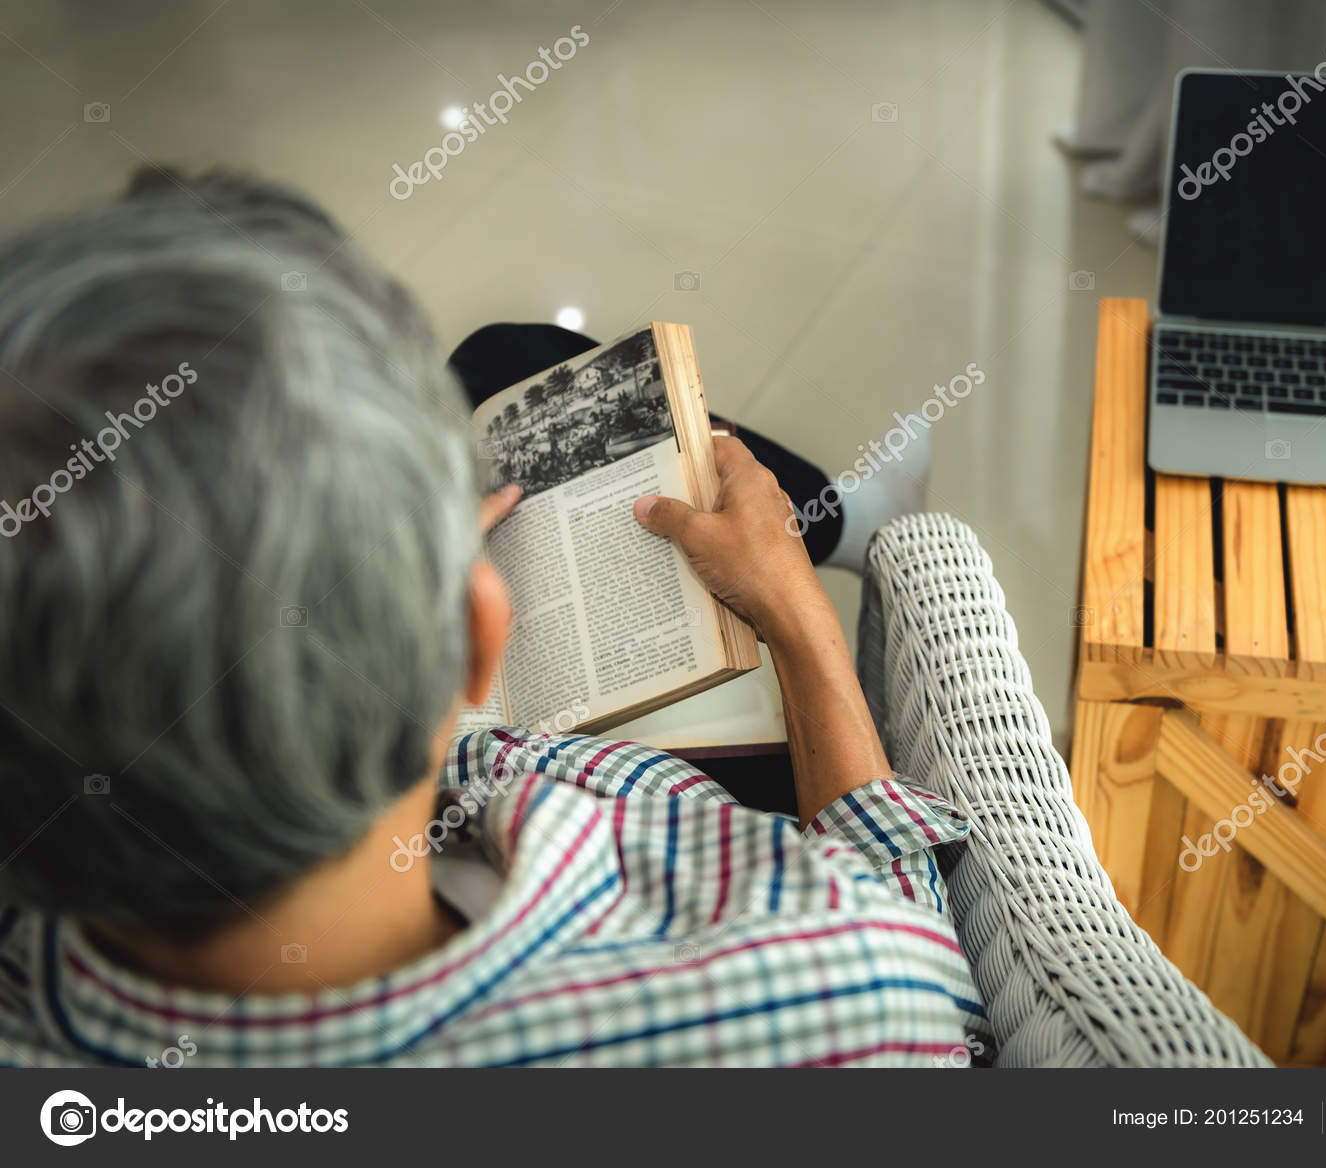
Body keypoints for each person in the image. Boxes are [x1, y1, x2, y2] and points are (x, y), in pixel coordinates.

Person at [0, 170, 978, 1067]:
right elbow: (922, 983)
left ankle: (843, 515)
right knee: (517, 362)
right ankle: (838, 526)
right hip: (607, 784)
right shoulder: (841, 994)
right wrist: (800, 623)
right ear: (478, 633)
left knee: (506, 359)